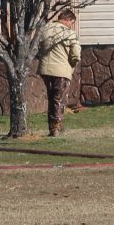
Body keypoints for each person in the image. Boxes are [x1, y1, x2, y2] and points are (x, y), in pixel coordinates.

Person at [36, 7, 83, 137]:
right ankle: (56, 127)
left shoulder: (45, 29)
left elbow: (38, 47)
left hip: (45, 70)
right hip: (61, 70)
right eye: (71, 22)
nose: (71, 25)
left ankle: (52, 126)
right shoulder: (69, 33)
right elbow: (76, 55)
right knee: (59, 99)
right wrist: (72, 66)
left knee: (52, 98)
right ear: (68, 19)